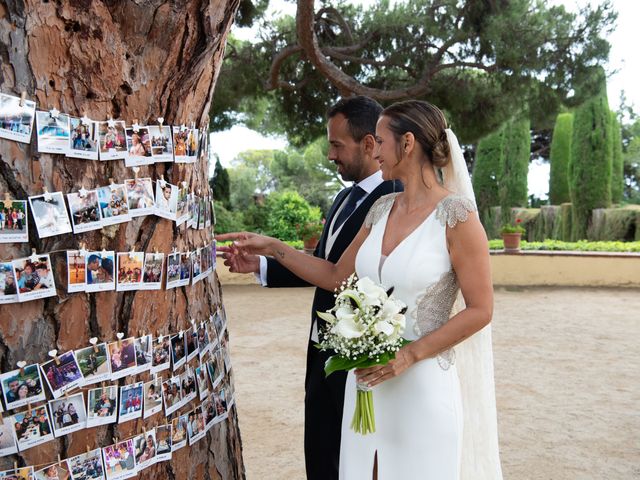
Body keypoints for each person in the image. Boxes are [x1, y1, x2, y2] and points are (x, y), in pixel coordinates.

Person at [218, 100, 502, 479]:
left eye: (381, 141)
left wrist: (409, 355)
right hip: (365, 381)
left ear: (407, 144)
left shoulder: (457, 217)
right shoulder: (380, 209)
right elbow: (336, 275)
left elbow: (481, 309)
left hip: (421, 383)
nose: (376, 151)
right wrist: (273, 248)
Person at [219, 95, 401, 479]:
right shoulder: (343, 198)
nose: (330, 155)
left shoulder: (393, 200)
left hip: (362, 353)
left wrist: (275, 246)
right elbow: (321, 264)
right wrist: (263, 265)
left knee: (352, 456)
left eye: (337, 145)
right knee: (319, 448)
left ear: (369, 144)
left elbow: (344, 274)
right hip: (321, 349)